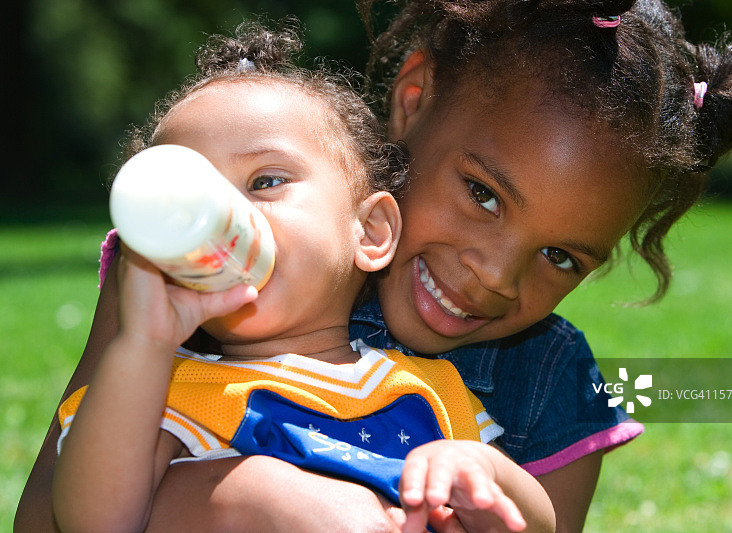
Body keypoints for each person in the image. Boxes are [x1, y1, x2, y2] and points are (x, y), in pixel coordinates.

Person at [16, 0, 732, 531]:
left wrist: (489, 476)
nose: (495, 277)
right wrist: (266, 501)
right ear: (412, 99)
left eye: (560, 256)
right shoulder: (180, 289)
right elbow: (56, 515)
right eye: (483, 194)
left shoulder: (513, 385)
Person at [49, 20, 555, 533]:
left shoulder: (431, 391)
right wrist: (144, 344)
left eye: (265, 181)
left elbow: (538, 524)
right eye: (191, 201)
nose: (223, 220)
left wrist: (488, 471)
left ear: (371, 232)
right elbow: (93, 523)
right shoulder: (173, 392)